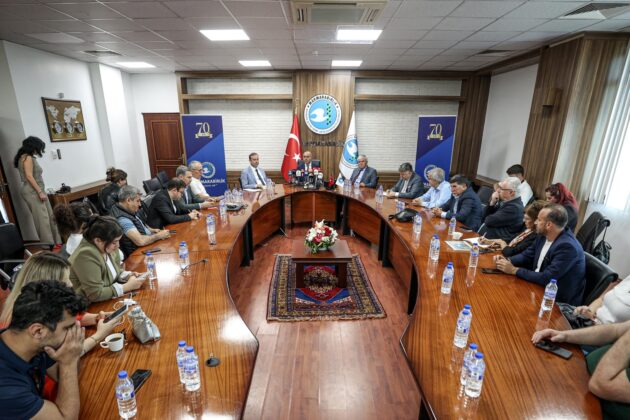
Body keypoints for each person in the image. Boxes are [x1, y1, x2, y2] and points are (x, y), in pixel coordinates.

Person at [0, 252, 120, 354]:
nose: (71, 285)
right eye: (65, 282)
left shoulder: (40, 303)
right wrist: (98, 336)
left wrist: (95, 318)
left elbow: (68, 318)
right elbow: (62, 358)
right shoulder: (23, 322)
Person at [0, 280, 87, 419]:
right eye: (68, 328)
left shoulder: (29, 342)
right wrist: (68, 362)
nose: (75, 332)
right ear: (38, 331)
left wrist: (69, 359)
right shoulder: (7, 389)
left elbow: (62, 376)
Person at [532, 321, 630, 419]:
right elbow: (615, 330)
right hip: (580, 374)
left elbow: (599, 385)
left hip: (591, 409)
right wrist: (564, 335)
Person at [495, 204, 586, 306]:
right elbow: (526, 255)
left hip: (555, 302)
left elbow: (547, 278)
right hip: (537, 287)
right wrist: (507, 260)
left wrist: (514, 270)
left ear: (548, 225)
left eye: (539, 220)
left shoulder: (567, 247)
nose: (535, 222)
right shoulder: (542, 235)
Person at [69, 216, 146, 303]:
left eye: (118, 241)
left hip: (104, 302)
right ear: (98, 240)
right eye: (114, 242)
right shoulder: (86, 255)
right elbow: (95, 294)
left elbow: (112, 273)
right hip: (87, 306)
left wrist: (128, 275)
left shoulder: (104, 247)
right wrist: (127, 287)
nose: (118, 245)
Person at [13, 136, 61, 245]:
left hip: (37, 190)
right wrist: (39, 192)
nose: (39, 150)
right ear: (33, 146)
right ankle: (48, 245)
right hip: (32, 191)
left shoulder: (27, 157)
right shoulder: (27, 158)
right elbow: (29, 176)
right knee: (42, 220)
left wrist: (41, 191)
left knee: (49, 216)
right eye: (39, 147)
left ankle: (55, 242)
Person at [109, 186, 170, 258]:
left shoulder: (126, 209)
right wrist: (158, 236)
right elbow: (140, 241)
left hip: (146, 246)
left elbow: (138, 223)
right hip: (139, 255)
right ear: (128, 200)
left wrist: (151, 230)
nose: (140, 204)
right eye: (137, 201)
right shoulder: (122, 219)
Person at [481, 200, 546, 258]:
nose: (523, 220)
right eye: (524, 218)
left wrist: (501, 242)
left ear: (536, 220)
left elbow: (511, 253)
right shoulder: (527, 228)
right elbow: (511, 241)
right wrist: (491, 241)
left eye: (527, 219)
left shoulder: (535, 236)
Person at [479, 177, 525, 243]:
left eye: (501, 188)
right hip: (487, 239)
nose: (498, 190)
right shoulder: (505, 201)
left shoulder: (514, 208)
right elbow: (483, 217)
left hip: (496, 243)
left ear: (511, 192)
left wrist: (489, 217)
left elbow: (488, 221)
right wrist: (492, 202)